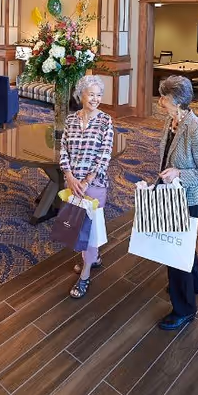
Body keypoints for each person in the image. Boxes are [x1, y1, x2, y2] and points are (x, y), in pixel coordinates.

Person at [156, 75, 198, 330]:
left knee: (176, 250)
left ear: (178, 102)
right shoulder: (172, 121)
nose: (160, 100)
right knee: (184, 242)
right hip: (172, 193)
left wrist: (179, 174)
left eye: (164, 97)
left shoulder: (196, 130)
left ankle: (184, 309)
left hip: (189, 196)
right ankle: (196, 282)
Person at [59, 75, 114, 300]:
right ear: (81, 95)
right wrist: (69, 176)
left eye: (99, 95)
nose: (96, 99)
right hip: (73, 183)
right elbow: (63, 149)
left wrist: (86, 181)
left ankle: (85, 274)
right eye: (91, 94)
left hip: (93, 184)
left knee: (89, 230)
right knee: (76, 224)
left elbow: (104, 155)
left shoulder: (105, 121)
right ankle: (93, 257)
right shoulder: (71, 120)